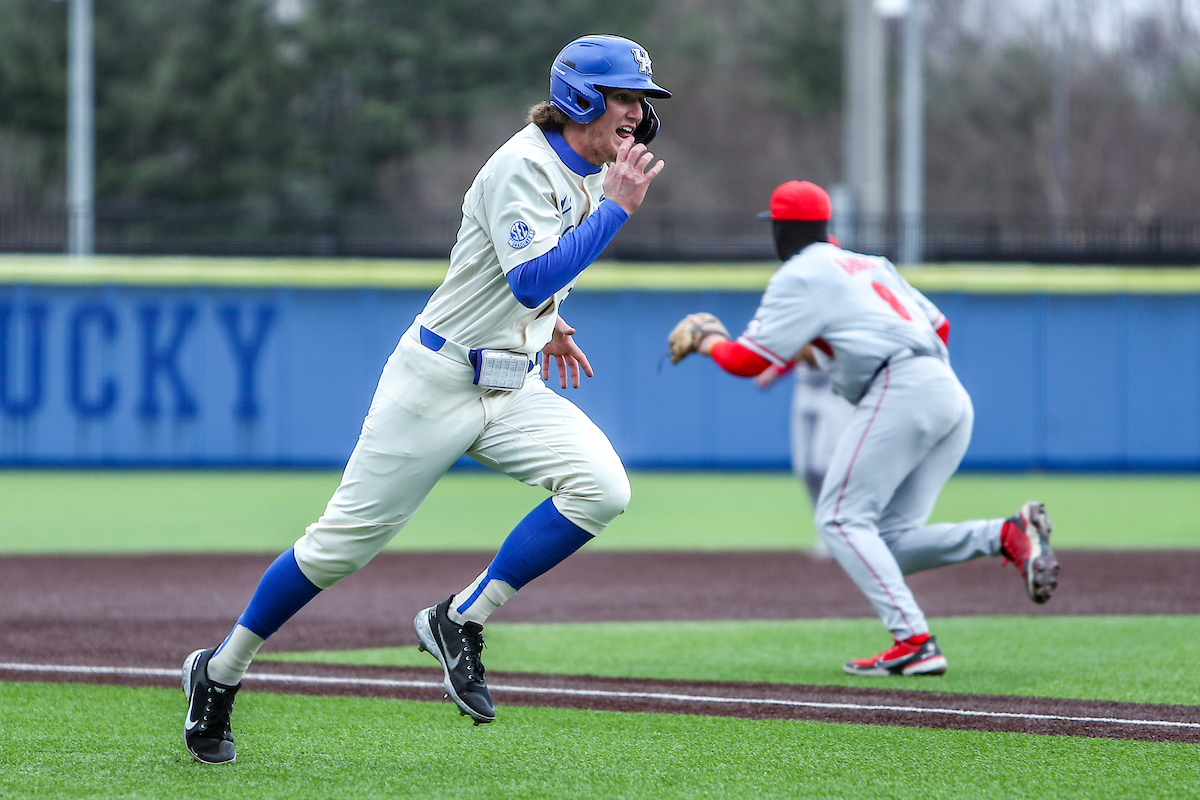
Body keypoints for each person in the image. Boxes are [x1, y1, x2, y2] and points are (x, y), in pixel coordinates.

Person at [182, 33, 670, 763]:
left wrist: (550, 323)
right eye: (625, 97)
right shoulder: (523, 165)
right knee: (339, 548)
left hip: (511, 381)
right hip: (435, 382)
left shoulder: (593, 171)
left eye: (642, 100)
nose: (637, 114)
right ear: (581, 98)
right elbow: (529, 275)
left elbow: (524, 282)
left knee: (601, 487)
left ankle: (459, 618)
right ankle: (219, 672)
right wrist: (612, 218)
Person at [667, 180, 1060, 677]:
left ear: (781, 230)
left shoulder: (800, 272)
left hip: (898, 387)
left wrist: (708, 341)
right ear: (825, 225)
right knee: (889, 541)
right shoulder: (872, 264)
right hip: (947, 391)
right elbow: (940, 327)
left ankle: (914, 639)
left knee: (836, 518)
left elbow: (746, 360)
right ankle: (1004, 534)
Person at [754, 346, 853, 558]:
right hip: (805, 389)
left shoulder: (835, 316)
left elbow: (807, 350)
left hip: (833, 390)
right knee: (805, 468)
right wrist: (773, 371)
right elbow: (797, 347)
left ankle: (842, 529)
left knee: (824, 465)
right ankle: (827, 532)